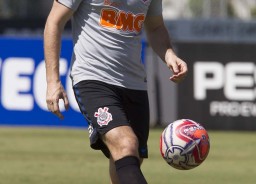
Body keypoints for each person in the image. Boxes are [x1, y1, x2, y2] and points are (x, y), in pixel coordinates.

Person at [44, 0, 188, 183]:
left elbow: (156, 27)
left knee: (128, 158)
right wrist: (52, 81)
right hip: (93, 78)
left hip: (135, 84)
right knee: (126, 144)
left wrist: (169, 54)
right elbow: (54, 21)